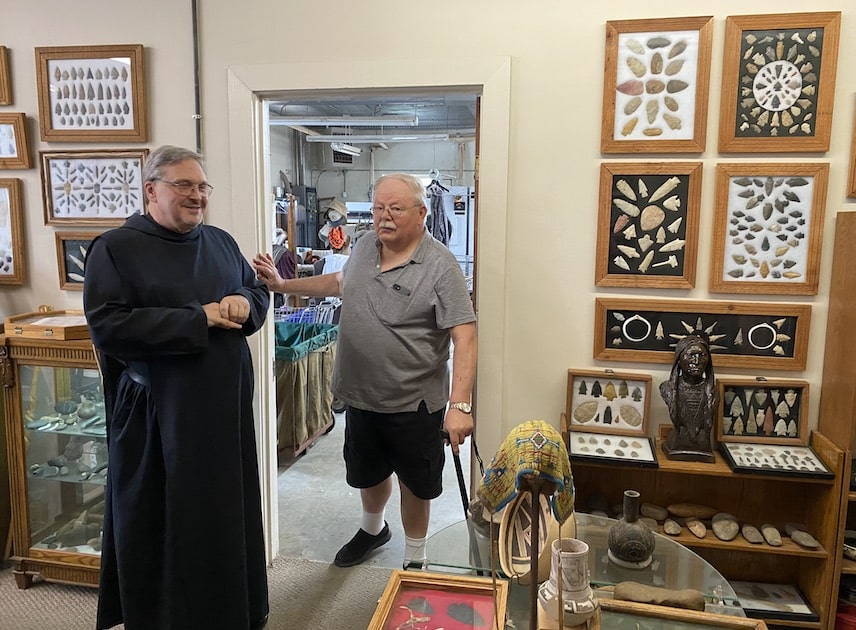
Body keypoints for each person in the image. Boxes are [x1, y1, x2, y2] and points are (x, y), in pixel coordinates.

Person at [83, 145, 270, 630]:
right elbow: (109, 325)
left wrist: (245, 302)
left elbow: (256, 290)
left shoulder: (222, 242)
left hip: (222, 411)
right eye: (184, 185)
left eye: (202, 187)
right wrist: (197, 318)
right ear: (151, 189)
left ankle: (231, 613)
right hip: (159, 415)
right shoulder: (115, 249)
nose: (197, 196)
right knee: (168, 521)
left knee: (225, 514)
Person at [253, 172, 477, 569]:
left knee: (415, 484)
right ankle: (374, 530)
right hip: (360, 395)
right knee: (368, 475)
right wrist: (284, 285)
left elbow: (465, 334)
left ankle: (415, 558)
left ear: (422, 213)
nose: (383, 217)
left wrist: (459, 403)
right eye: (377, 208)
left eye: (395, 208)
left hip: (414, 403)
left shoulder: (441, 265)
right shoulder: (362, 246)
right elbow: (341, 282)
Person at [659, 332, 719, 462]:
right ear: (679, 360)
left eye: (702, 355)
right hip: (676, 444)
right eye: (691, 355)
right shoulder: (667, 388)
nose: (696, 361)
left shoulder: (713, 392)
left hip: (703, 448)